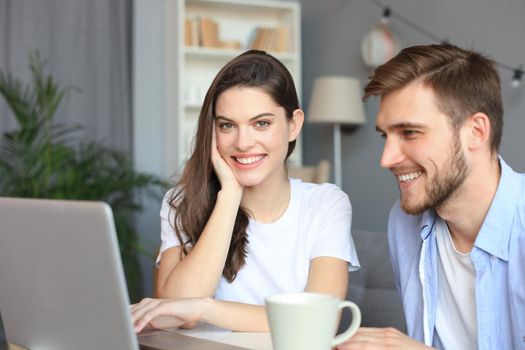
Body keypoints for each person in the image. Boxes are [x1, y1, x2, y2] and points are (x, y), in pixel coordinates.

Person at [131, 50, 360, 333]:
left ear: (293, 125)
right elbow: (177, 311)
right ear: (212, 131)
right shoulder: (182, 202)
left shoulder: (326, 204)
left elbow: (317, 323)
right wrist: (229, 196)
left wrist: (206, 307)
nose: (243, 142)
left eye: (261, 123)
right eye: (227, 125)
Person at [338, 43, 525, 350]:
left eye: (410, 133)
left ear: (476, 132)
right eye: (386, 135)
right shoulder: (404, 223)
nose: (386, 159)